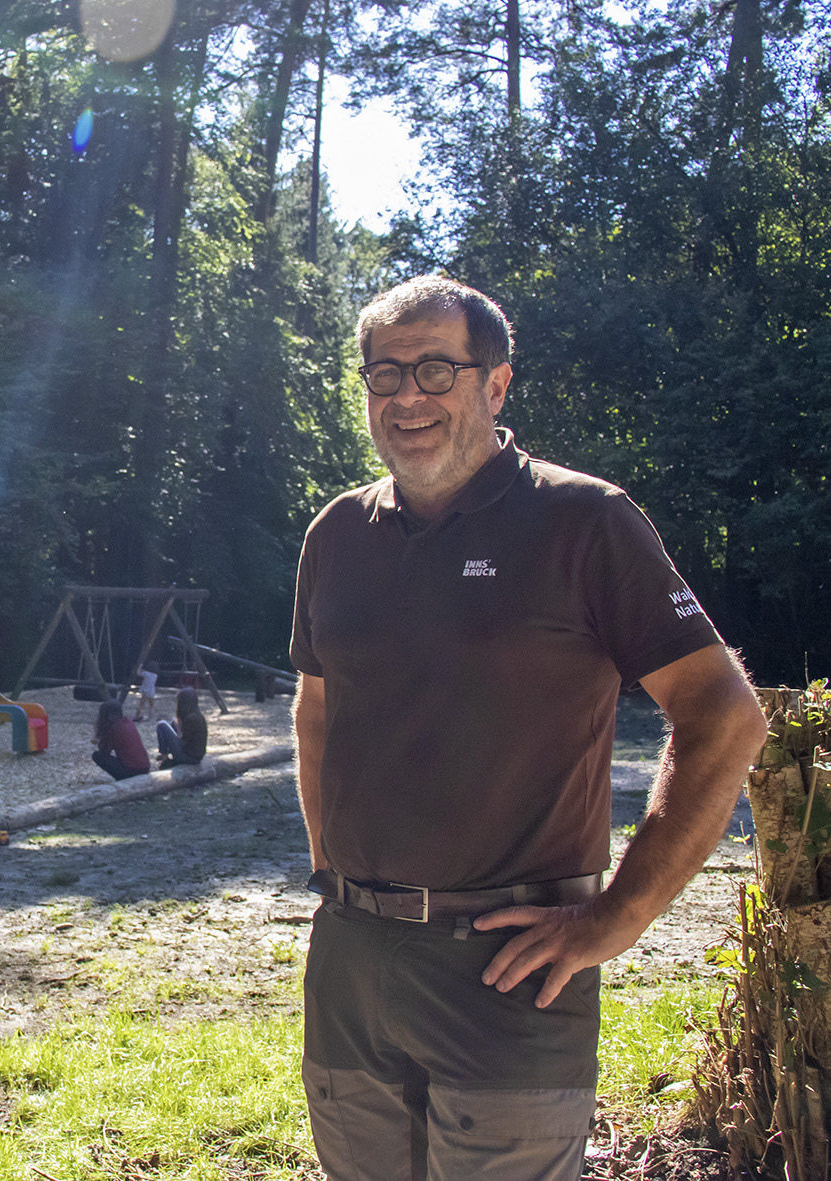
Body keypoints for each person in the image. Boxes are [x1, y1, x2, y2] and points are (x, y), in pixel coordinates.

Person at [290, 275, 767, 1181]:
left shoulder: (583, 521)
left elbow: (725, 717)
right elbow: (318, 710)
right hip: (351, 964)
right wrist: (338, 876)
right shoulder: (337, 533)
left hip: (509, 975)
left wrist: (616, 918)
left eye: (437, 369)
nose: (408, 397)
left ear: (496, 384)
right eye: (384, 375)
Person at [91, 700, 151, 780]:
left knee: (97, 756)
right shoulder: (128, 721)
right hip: (145, 768)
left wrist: (98, 734)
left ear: (108, 715)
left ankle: (122, 779)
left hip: (132, 770)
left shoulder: (113, 728)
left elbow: (104, 751)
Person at [155, 687, 207, 769]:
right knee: (173, 722)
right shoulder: (197, 715)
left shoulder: (190, 719)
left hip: (189, 758)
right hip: (196, 756)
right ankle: (165, 754)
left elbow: (183, 742)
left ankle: (164, 756)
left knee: (161, 725)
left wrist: (177, 733)